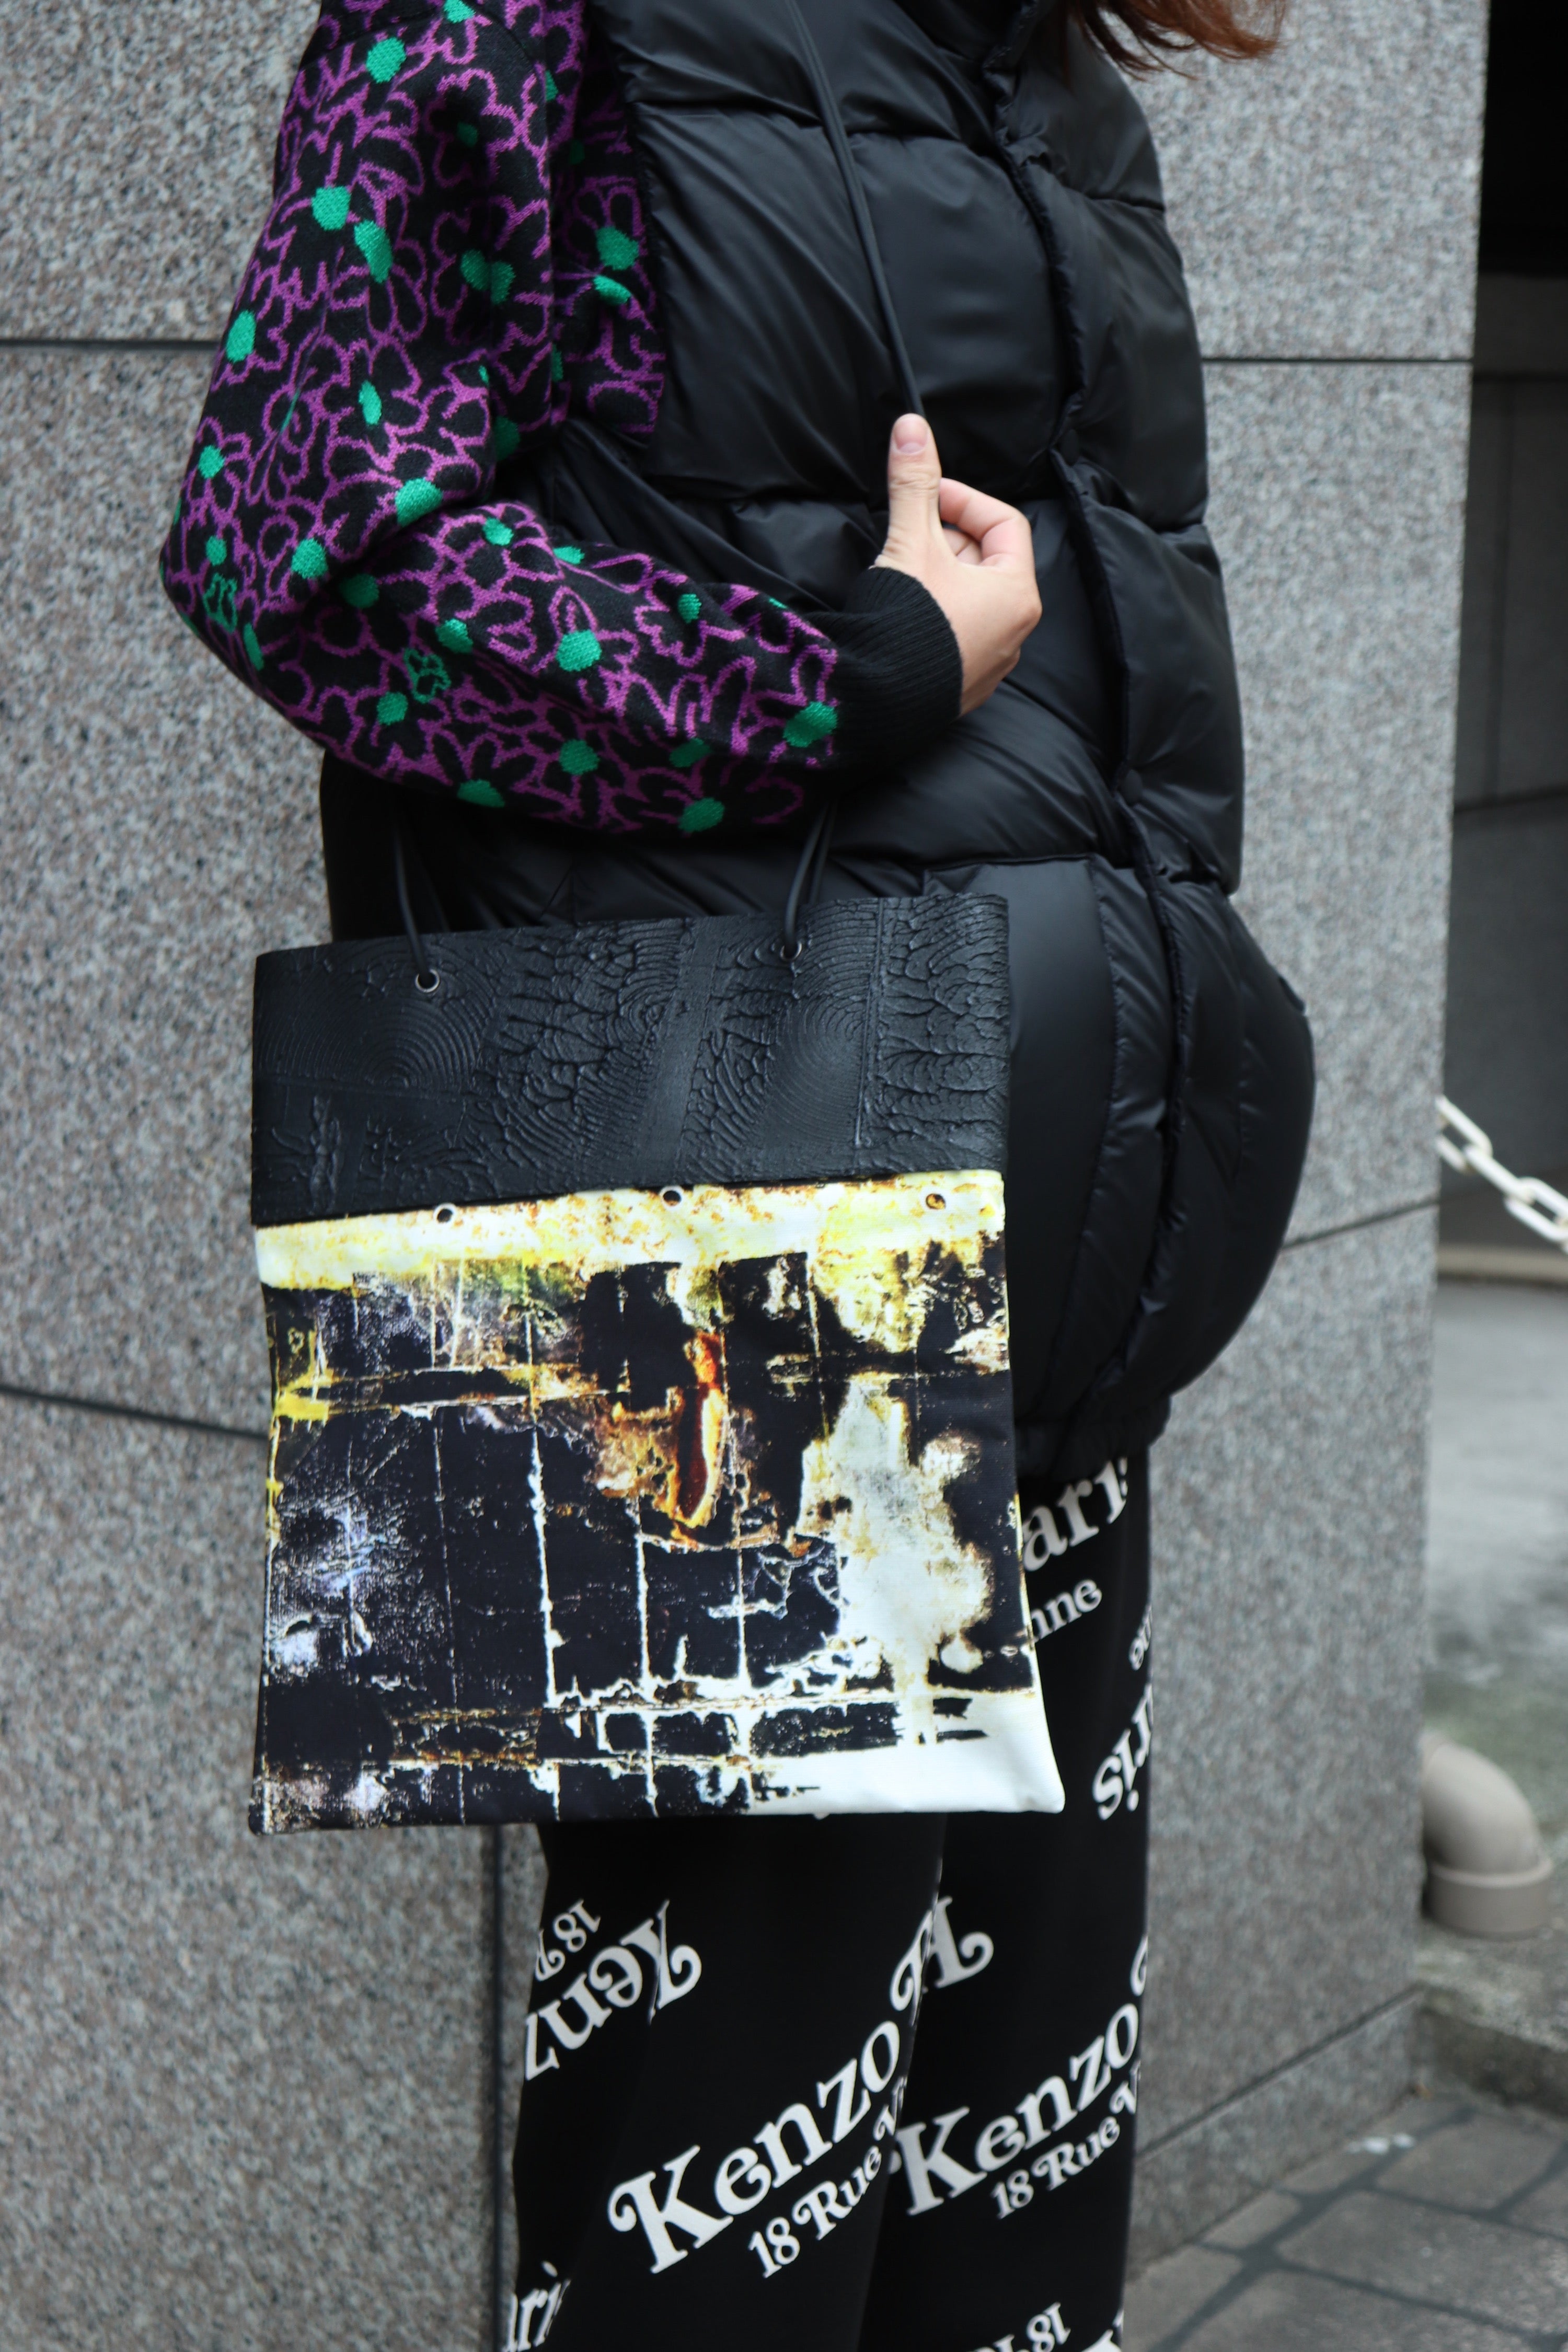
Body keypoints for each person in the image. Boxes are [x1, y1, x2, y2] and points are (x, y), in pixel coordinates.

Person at [163, 0, 1312, 2340]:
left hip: (1062, 1238)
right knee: (717, 2215)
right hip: (728, 1253)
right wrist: (831, 673)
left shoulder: (1041, 49)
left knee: (1020, 2207)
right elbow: (304, 541)